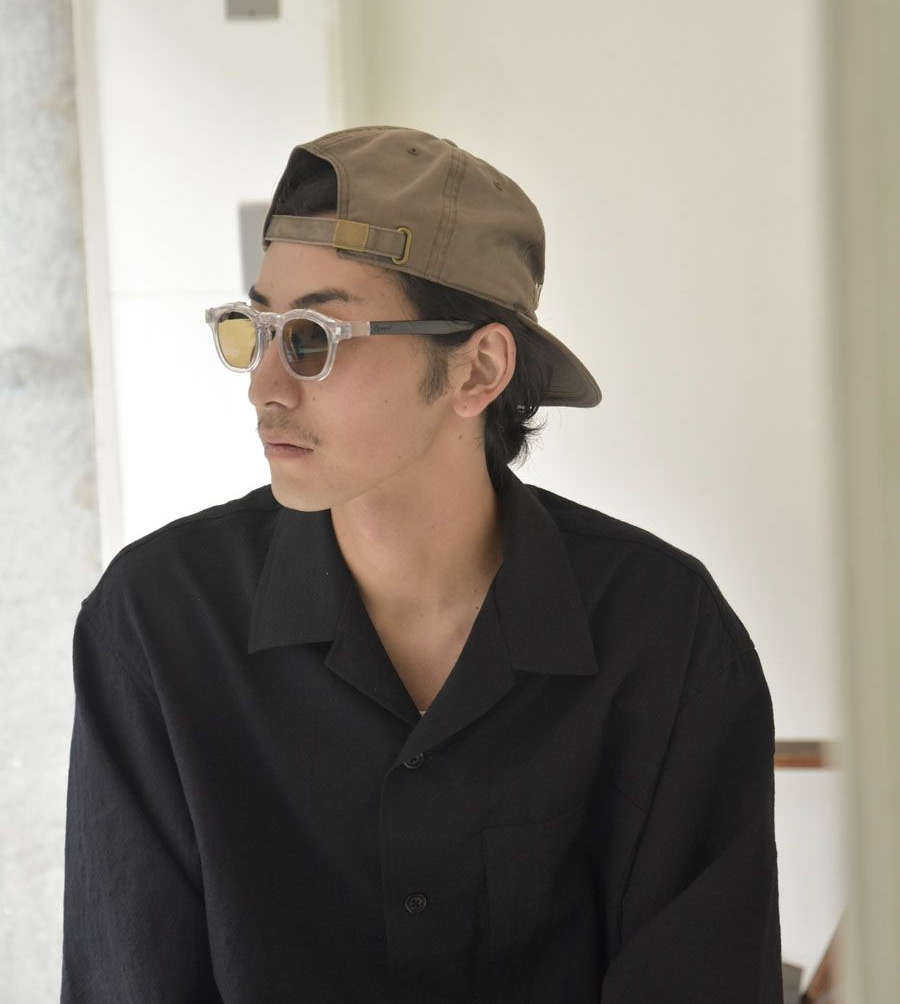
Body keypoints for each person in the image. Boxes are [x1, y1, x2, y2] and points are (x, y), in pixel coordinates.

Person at [61, 125, 784, 1002]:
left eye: (315, 337)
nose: (265, 388)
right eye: (258, 329)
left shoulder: (661, 631)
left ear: (478, 369)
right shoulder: (158, 622)